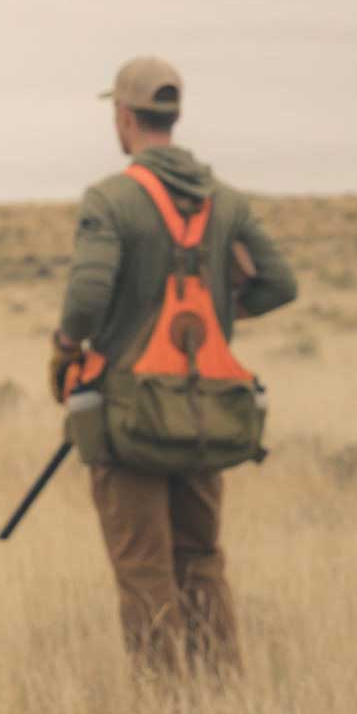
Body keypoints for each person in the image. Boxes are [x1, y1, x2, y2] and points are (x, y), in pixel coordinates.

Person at [51, 56, 296, 677]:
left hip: (131, 416)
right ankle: (219, 697)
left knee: (143, 568)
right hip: (209, 410)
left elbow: (85, 299)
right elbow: (281, 284)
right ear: (173, 116)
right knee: (202, 559)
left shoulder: (111, 199)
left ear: (125, 117)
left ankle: (165, 712)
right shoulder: (228, 202)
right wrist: (221, 310)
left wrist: (66, 348)